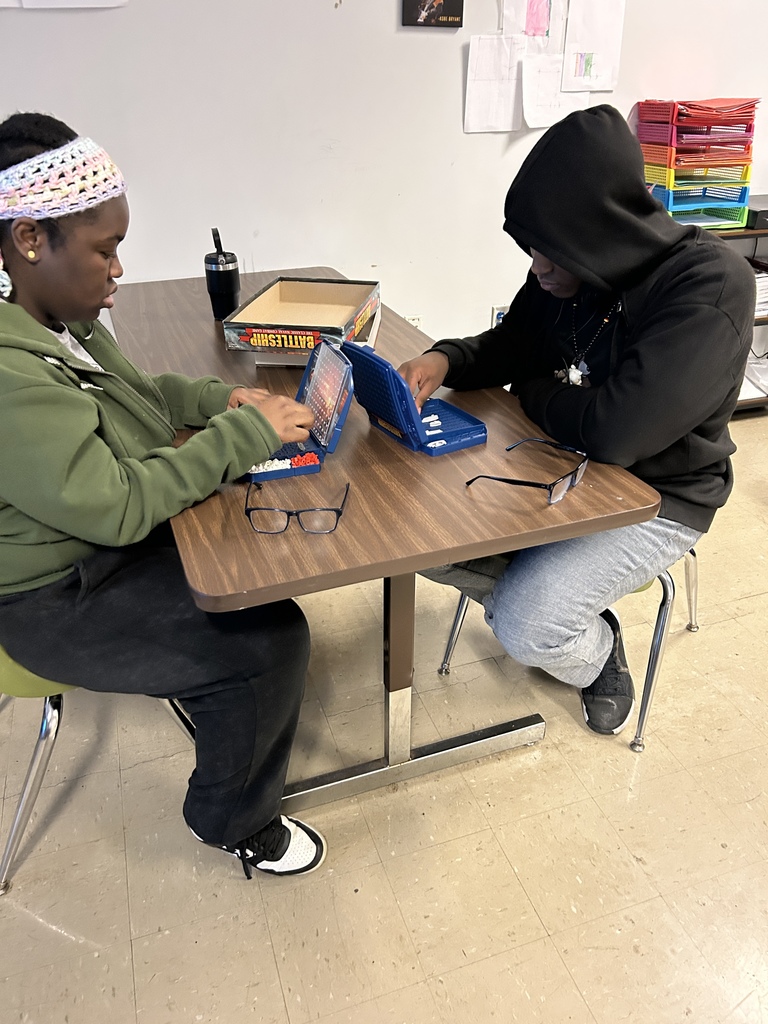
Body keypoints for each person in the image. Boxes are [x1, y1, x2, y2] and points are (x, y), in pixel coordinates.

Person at [0, 111, 326, 879]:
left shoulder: (59, 320)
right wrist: (243, 440)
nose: (118, 269)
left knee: (255, 555)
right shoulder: (8, 372)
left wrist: (222, 404)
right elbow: (114, 504)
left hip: (94, 547)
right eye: (105, 249)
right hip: (51, 597)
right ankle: (232, 820)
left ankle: (206, 696)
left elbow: (145, 393)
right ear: (28, 241)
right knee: (271, 644)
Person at [399, 104, 754, 737]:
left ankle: (594, 652)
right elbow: (513, 345)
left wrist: (532, 390)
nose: (537, 266)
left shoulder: (708, 284)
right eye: (532, 248)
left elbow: (620, 433)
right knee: (416, 534)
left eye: (551, 251)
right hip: (561, 462)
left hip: (659, 496)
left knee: (523, 626)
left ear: (602, 229)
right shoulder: (568, 268)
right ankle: (551, 595)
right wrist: (445, 357)